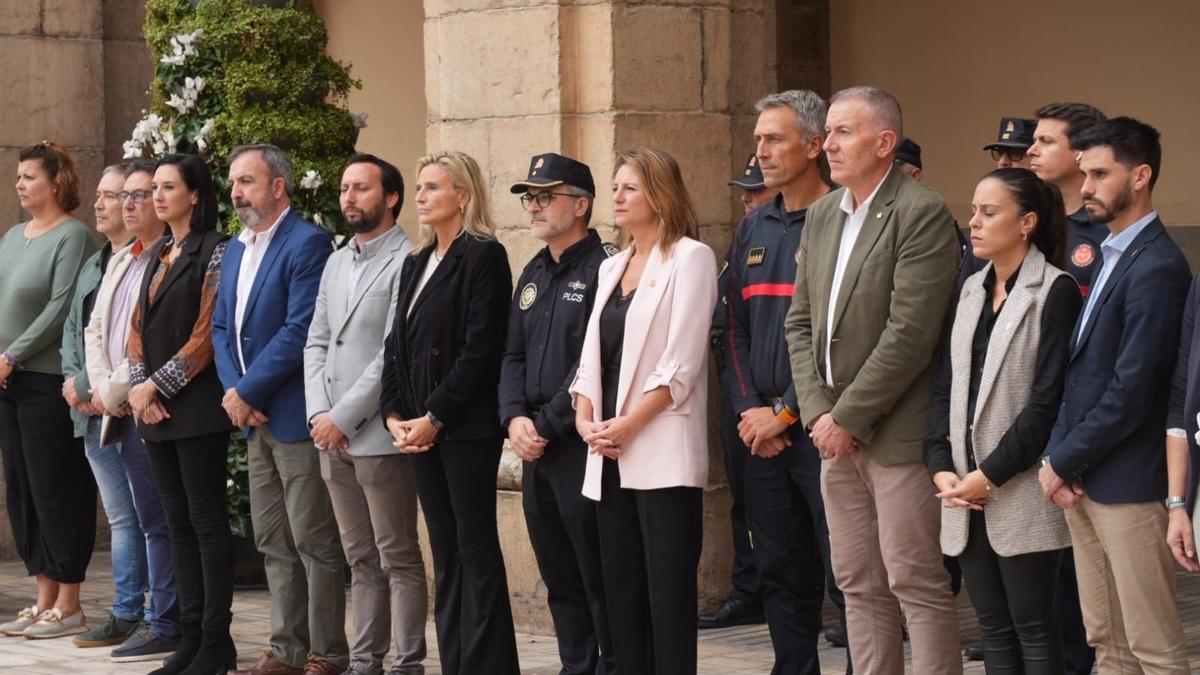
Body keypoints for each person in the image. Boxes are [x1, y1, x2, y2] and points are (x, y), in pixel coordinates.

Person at [783, 86, 963, 674]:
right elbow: (801, 322)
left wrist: (848, 417)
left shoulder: (921, 211)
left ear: (884, 143)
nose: (826, 144)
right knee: (857, 581)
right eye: (827, 132)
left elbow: (911, 334)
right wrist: (817, 413)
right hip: (832, 432)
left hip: (896, 434)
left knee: (914, 578)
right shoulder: (822, 214)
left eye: (842, 133)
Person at [1041, 117, 1191, 672]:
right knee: (1107, 641)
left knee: (1153, 647)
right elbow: (1079, 374)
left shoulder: (1158, 266)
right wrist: (1061, 457)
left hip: (1129, 483)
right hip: (1086, 479)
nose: (1085, 189)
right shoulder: (1109, 253)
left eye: (1101, 174)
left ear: (1141, 176)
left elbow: (1133, 389)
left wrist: (1062, 458)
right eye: (1085, 174)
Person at [925, 168, 1081, 672]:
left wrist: (987, 475)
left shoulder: (1053, 290)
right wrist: (939, 464)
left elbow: (1046, 402)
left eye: (989, 213)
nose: (974, 222)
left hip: (1016, 485)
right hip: (963, 490)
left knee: (1034, 628)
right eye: (973, 210)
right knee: (993, 629)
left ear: (1027, 222)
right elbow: (946, 385)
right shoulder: (970, 287)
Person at [570, 146, 718, 675]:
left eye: (630, 187)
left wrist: (628, 424)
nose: (618, 197)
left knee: (666, 592)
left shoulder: (690, 258)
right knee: (621, 590)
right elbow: (590, 358)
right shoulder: (611, 266)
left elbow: (682, 362)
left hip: (659, 450)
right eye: (615, 188)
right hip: (607, 450)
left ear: (660, 194)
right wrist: (586, 420)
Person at [380, 151, 520, 675]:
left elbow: (481, 350)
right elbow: (397, 345)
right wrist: (394, 413)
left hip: (463, 430)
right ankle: (457, 661)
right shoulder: (416, 262)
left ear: (462, 195)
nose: (420, 197)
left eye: (432, 187)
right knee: (445, 550)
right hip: (418, 430)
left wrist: (434, 416)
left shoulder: (483, 255)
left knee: (475, 547)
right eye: (418, 188)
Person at [215, 145, 345, 675]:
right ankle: (286, 649)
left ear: (279, 186)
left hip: (291, 414)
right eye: (234, 183)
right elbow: (222, 327)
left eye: (247, 181)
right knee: (271, 538)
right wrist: (236, 393)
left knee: (312, 538)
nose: (237, 192)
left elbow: (301, 330)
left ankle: (328, 652)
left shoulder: (307, 243)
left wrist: (249, 392)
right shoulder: (236, 248)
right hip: (253, 418)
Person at [727, 90, 842, 675]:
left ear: (815, 145)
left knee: (845, 569)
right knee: (778, 567)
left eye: (775, 139)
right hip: (761, 433)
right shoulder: (754, 228)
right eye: (758, 139)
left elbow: (839, 335)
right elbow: (734, 330)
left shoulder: (844, 221)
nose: (762, 151)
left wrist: (788, 413)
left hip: (824, 429)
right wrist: (751, 409)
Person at [303, 154, 427, 675]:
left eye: (361, 188)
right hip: (331, 436)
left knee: (397, 555)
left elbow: (391, 354)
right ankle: (363, 662)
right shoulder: (336, 261)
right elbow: (317, 340)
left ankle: (406, 663)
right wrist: (319, 414)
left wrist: (345, 417)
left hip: (378, 433)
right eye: (344, 188)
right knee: (360, 559)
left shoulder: (410, 259)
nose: (349, 197)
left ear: (391, 197)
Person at [499, 152, 616, 674]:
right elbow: (512, 354)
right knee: (557, 569)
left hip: (579, 445)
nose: (534, 207)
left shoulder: (606, 268)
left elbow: (597, 361)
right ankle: (575, 665)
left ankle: (610, 663)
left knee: (595, 568)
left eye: (546, 196)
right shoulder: (533, 270)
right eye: (531, 197)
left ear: (581, 204)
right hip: (534, 448)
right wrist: (513, 419)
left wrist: (544, 424)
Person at [126, 153, 235, 675]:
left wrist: (155, 386)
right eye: (155, 189)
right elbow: (135, 326)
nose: (158, 197)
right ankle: (189, 638)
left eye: (168, 187)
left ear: (195, 194)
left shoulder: (214, 250)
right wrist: (138, 387)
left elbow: (206, 334)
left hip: (195, 409)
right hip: (155, 412)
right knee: (175, 525)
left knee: (206, 523)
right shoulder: (158, 251)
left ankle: (216, 639)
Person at [76, 161, 183, 662]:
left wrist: (115, 390)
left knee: (158, 520)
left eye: (144, 194)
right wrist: (101, 386)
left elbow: (151, 344)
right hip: (117, 402)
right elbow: (96, 330)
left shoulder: (170, 259)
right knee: (143, 517)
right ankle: (153, 617)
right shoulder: (122, 259)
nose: (132, 204)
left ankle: (165, 620)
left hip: (149, 404)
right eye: (132, 196)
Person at [0, 141, 98, 640]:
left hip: (42, 380)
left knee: (57, 487)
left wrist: (12, 355)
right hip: (6, 381)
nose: (20, 184)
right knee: (23, 489)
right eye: (18, 177)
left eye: (29, 176)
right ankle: (42, 598)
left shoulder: (73, 236)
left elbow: (61, 308)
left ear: (57, 181)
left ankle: (70, 601)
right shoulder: (14, 235)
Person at [59, 163, 146, 650]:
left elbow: (136, 342)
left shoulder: (140, 260)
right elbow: (78, 328)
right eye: (101, 194)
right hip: (89, 409)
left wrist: (98, 388)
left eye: (111, 196)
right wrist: (77, 383)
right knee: (120, 516)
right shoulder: (98, 262)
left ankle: (139, 610)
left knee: (141, 515)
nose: (101, 203)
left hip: (122, 407)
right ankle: (127, 608)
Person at [699, 152, 779, 633]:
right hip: (741, 395)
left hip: (787, 405)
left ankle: (824, 597)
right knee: (744, 501)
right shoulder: (744, 240)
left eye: (756, 189)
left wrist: (778, 409)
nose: (747, 199)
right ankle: (750, 589)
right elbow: (728, 325)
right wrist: (745, 402)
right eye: (744, 191)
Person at [1028, 103, 1107, 297]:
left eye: (1046, 141)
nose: (1031, 150)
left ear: (1083, 150)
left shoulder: (1109, 229)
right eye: (1034, 140)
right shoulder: (1027, 218)